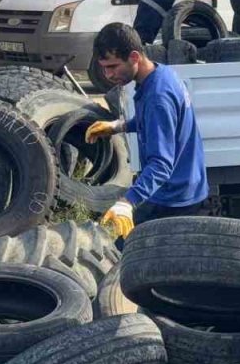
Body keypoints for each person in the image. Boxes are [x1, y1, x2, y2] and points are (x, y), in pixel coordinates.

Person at [85, 23, 208, 239]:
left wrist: (127, 202)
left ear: (134, 57)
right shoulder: (162, 74)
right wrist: (119, 126)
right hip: (185, 185)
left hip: (172, 198)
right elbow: (157, 123)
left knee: (122, 249)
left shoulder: (157, 97)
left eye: (113, 66)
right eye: (104, 67)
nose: (108, 75)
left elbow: (161, 165)